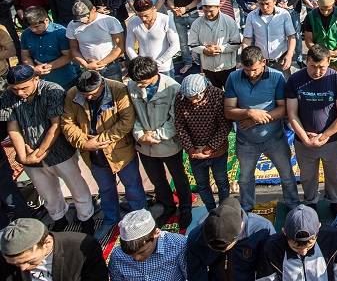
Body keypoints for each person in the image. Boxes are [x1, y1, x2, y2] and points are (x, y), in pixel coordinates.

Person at [0, 65, 96, 234]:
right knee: (46, 192)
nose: (19, 93)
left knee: (77, 187)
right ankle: (59, 218)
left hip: (59, 152)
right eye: (15, 89)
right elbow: (12, 127)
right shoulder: (8, 96)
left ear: (35, 79)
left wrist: (40, 152)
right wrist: (23, 157)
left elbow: (56, 125)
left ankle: (86, 218)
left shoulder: (52, 91)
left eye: (23, 88)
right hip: (28, 154)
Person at [61, 70, 148, 233]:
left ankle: (141, 219)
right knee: (106, 190)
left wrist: (99, 141)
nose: (88, 98)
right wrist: (85, 143)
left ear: (102, 84)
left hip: (120, 151)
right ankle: (111, 219)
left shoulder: (118, 89)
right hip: (92, 154)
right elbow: (67, 124)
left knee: (133, 187)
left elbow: (127, 120)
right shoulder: (72, 94)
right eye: (84, 94)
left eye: (92, 94)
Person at [224, 45, 300, 212]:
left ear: (264, 62)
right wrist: (250, 113)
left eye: (255, 69)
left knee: (287, 175)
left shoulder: (276, 77)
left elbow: (283, 109)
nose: (251, 74)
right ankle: (247, 208)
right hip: (246, 141)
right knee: (245, 178)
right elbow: (228, 111)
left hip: (275, 138)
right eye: (247, 70)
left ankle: (293, 205)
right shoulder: (233, 78)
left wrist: (257, 120)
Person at [127, 56, 193, 230]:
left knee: (179, 178)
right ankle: (168, 207)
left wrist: (156, 136)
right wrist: (140, 135)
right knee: (157, 180)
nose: (139, 85)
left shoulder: (173, 88)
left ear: (154, 74)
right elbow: (130, 115)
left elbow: (176, 119)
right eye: (137, 82)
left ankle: (186, 209)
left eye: (142, 82)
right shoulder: (131, 86)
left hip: (168, 145)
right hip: (144, 145)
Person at [286, 45, 337, 216]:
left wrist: (325, 135)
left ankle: (334, 200)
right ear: (306, 61)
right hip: (304, 140)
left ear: (329, 61)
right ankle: (311, 201)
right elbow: (292, 113)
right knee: (307, 175)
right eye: (313, 66)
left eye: (322, 66)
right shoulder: (295, 79)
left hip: (332, 139)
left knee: (335, 174)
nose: (317, 71)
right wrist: (304, 137)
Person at [255, 204, 337, 281]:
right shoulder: (271, 248)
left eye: (309, 246)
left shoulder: (333, 240)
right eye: (296, 248)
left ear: (319, 229)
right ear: (284, 233)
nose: (303, 252)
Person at [188, 197, 276, 281]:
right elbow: (197, 280)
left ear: (239, 229)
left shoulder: (262, 231)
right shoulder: (196, 238)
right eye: (214, 249)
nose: (221, 252)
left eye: (224, 248)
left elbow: (268, 275)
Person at [174, 74, 232, 212]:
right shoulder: (180, 99)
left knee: (222, 182)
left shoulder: (218, 96)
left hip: (217, 151)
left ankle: (224, 210)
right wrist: (191, 150)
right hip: (195, 153)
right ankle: (210, 210)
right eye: (190, 99)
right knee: (202, 184)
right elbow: (180, 125)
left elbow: (224, 126)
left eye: (196, 98)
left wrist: (207, 149)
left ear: (204, 90)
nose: (193, 102)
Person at [0, 218, 108, 281]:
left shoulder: (82, 249)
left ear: (46, 242)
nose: (22, 268)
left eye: (29, 261)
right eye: (15, 264)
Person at [108, 209, 187, 281]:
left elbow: (194, 279)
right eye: (130, 254)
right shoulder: (117, 256)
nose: (136, 258)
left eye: (142, 252)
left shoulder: (178, 245)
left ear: (156, 234)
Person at [242, 0, 296, 80]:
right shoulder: (251, 16)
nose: (265, 7)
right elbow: (247, 38)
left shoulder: (284, 14)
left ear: (274, 1)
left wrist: (289, 55)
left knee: (283, 88)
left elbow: (291, 36)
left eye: (267, 4)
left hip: (281, 60)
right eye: (261, 4)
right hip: (260, 62)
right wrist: (245, 58)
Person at [188, 0, 241, 88]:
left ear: (219, 7)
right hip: (207, 67)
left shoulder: (229, 21)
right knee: (213, 95)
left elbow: (236, 43)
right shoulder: (197, 23)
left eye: (211, 11)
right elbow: (192, 44)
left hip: (227, 67)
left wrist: (220, 49)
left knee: (230, 94)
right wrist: (204, 50)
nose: (208, 14)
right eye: (205, 11)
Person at [67, 0, 125, 81]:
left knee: (115, 91)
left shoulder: (110, 21)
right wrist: (86, 65)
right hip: (87, 67)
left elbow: (120, 47)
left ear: (93, 9)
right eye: (79, 18)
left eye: (85, 17)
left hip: (110, 67)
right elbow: (73, 49)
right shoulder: (72, 25)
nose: (83, 20)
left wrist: (100, 64)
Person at [19, 7, 77, 89]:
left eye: (37, 26)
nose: (33, 30)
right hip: (39, 83)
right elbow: (25, 55)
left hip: (63, 81)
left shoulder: (60, 32)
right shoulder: (26, 34)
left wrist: (48, 66)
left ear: (46, 20)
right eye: (30, 27)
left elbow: (69, 56)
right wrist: (32, 69)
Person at [125, 0, 180, 77]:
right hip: (144, 69)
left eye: (146, 15)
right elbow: (129, 47)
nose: (143, 19)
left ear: (154, 9)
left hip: (164, 68)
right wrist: (139, 63)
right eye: (139, 16)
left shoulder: (165, 20)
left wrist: (159, 62)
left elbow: (175, 45)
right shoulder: (132, 22)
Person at [165, 0, 201, 75]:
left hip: (191, 13)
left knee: (198, 40)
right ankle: (187, 62)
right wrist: (173, 8)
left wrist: (186, 8)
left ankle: (201, 62)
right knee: (183, 41)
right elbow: (169, 0)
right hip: (178, 15)